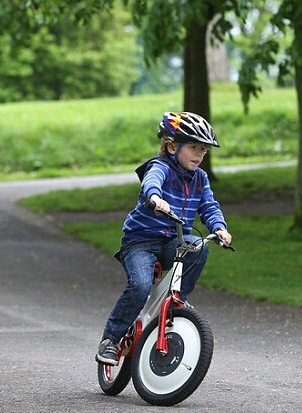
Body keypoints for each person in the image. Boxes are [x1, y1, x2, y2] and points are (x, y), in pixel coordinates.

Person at [95, 111, 233, 366]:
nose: (199, 155)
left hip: (174, 241)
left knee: (199, 247)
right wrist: (156, 199)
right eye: (193, 147)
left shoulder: (200, 178)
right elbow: (151, 182)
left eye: (203, 150)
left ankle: (179, 299)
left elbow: (209, 207)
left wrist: (220, 228)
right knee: (139, 285)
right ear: (171, 146)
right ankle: (111, 340)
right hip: (141, 241)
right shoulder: (160, 167)